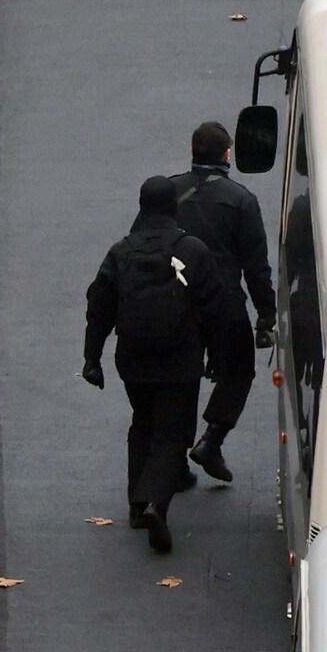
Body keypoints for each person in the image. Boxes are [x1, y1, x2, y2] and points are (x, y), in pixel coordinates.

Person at [84, 177, 227, 552]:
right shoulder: (191, 250)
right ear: (173, 207)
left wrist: (91, 358)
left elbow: (99, 306)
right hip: (179, 357)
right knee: (173, 432)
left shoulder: (121, 251)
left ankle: (135, 503)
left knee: (143, 422)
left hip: (132, 357)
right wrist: (217, 354)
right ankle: (153, 504)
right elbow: (213, 306)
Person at [158, 121, 277, 483]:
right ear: (228, 155)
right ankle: (211, 439)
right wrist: (265, 316)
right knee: (238, 371)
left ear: (193, 151)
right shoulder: (241, 200)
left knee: (180, 381)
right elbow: (256, 266)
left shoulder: (168, 192)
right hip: (224, 304)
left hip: (175, 300)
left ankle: (173, 462)